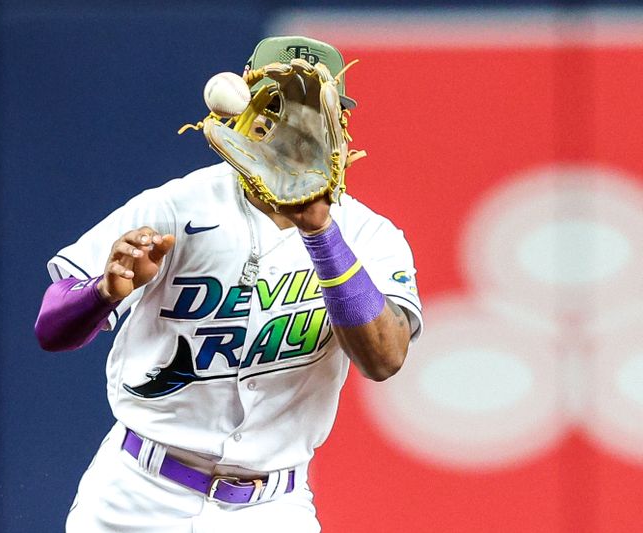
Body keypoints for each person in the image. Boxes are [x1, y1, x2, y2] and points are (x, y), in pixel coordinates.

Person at [35, 35, 422, 533]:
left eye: (315, 110)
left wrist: (321, 233)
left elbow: (385, 359)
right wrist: (103, 293)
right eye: (280, 104)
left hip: (272, 507)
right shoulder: (176, 206)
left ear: (337, 121)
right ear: (247, 105)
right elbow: (51, 327)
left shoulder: (368, 233)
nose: (296, 127)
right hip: (137, 494)